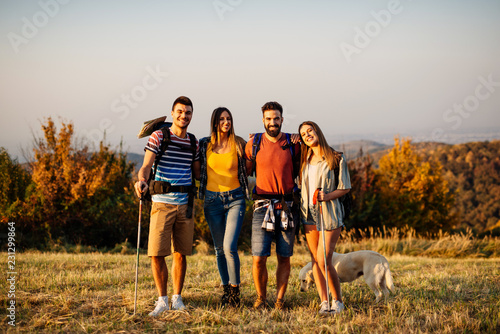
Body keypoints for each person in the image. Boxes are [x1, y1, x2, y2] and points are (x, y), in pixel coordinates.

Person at [134, 96, 200, 316]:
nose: (184, 116)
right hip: (161, 203)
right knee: (156, 252)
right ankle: (162, 300)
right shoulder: (159, 136)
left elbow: (199, 173)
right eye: (180, 111)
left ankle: (177, 298)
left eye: (188, 112)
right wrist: (141, 180)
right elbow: (146, 166)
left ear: (192, 115)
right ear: (172, 113)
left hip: (185, 204)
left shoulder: (194, 142)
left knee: (181, 253)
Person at [245, 101, 301, 310]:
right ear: (263, 121)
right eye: (268, 119)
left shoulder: (293, 143)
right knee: (258, 257)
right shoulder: (254, 143)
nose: (272, 122)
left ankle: (280, 300)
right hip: (262, 206)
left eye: (276, 118)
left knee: (284, 256)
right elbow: (246, 169)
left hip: (288, 205)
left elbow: (300, 169)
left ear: (282, 120)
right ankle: (261, 298)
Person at [298, 121, 351, 315]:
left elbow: (345, 187)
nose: (307, 135)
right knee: (315, 259)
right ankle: (324, 301)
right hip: (308, 213)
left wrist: (327, 196)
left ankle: (337, 301)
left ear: (317, 131)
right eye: (303, 134)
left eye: (310, 130)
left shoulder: (336, 158)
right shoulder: (304, 159)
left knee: (324, 259)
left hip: (329, 212)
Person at [198, 107, 250, 307]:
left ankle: (235, 291)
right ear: (215, 122)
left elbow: (252, 162)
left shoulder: (238, 143)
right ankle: (226, 289)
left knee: (229, 247)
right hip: (212, 201)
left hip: (235, 198)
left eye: (228, 118)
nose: (226, 122)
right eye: (222, 119)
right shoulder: (204, 144)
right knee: (219, 249)